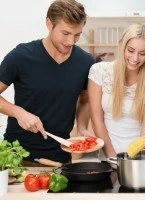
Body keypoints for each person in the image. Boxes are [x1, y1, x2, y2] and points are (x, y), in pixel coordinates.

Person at [0, 0, 94, 163]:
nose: (71, 41)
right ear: (49, 24)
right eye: (65, 33)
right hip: (17, 155)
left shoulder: (85, 62)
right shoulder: (21, 56)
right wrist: (18, 112)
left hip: (60, 156)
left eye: (77, 34)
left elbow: (84, 100)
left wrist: (82, 127)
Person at [87, 24, 145, 157]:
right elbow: (96, 121)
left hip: (138, 159)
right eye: (131, 50)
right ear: (121, 45)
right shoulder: (99, 71)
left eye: (142, 53)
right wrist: (113, 159)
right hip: (107, 158)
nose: (135, 58)